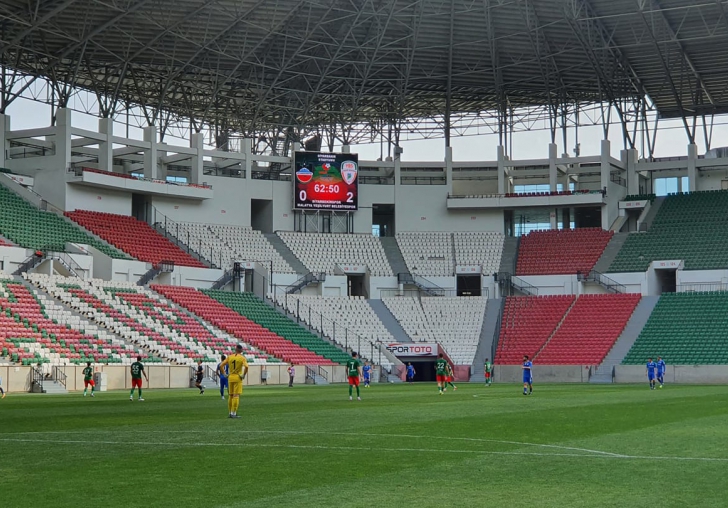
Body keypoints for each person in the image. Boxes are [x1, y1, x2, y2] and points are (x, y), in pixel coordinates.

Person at [218, 344, 248, 418]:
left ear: (235, 349)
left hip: (230, 377)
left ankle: (230, 412)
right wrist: (243, 375)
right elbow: (246, 366)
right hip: (237, 377)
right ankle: (234, 413)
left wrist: (224, 374)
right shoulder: (242, 358)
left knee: (230, 396)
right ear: (241, 350)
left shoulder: (230, 357)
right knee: (236, 396)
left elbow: (221, 365)